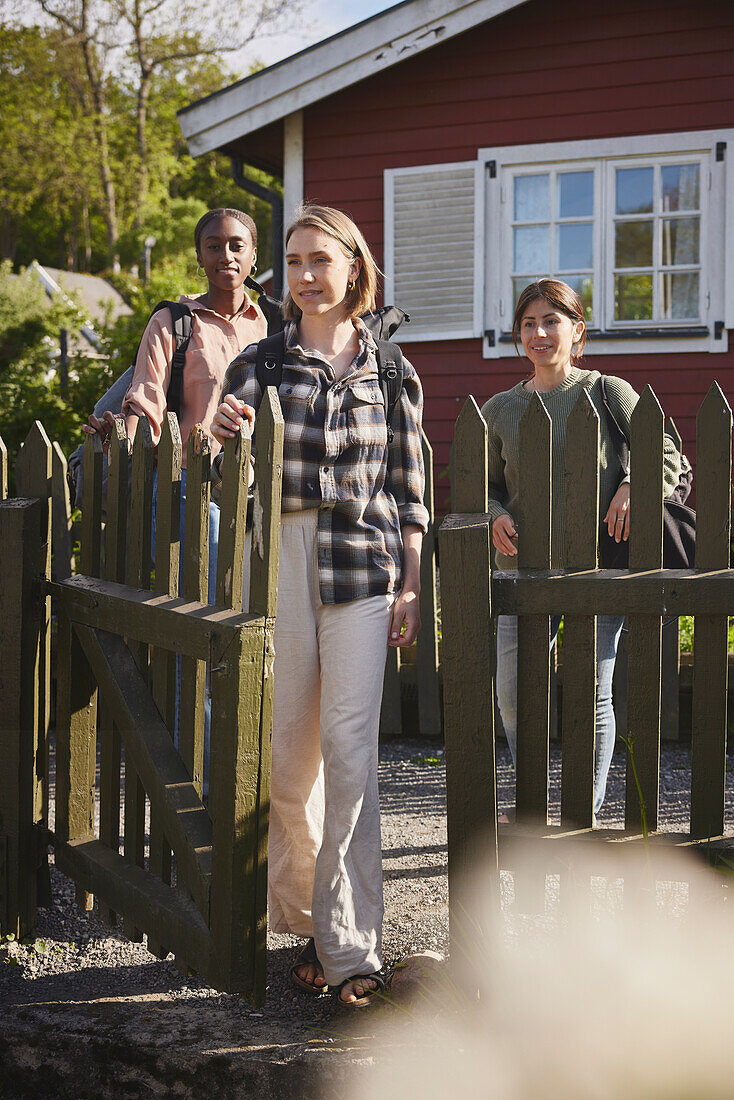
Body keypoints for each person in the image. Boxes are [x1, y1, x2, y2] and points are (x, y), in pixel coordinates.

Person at [211, 204, 428, 1007]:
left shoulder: (393, 371)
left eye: (319, 260)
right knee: (290, 755)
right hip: (282, 559)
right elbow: (217, 484)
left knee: (352, 754)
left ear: (353, 270)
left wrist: (411, 581)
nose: (304, 275)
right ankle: (305, 918)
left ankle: (349, 952)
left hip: (364, 569)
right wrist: (218, 436)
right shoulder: (258, 366)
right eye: (294, 262)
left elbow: (410, 489)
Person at [480, 279, 682, 820]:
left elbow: (665, 450)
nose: (539, 333)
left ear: (577, 331)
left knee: (592, 694)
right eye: (528, 323)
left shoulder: (607, 391)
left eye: (552, 321)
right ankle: (530, 808)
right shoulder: (501, 409)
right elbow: (482, 484)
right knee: (514, 695)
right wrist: (494, 513)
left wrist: (632, 484)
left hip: (598, 570)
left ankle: (581, 812)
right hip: (521, 574)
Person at [83, 208, 267, 790]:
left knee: (256, 639)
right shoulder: (175, 323)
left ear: (254, 255)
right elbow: (143, 399)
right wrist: (120, 440)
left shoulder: (274, 329)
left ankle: (251, 782)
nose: (226, 256)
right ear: (199, 256)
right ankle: (207, 790)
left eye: (237, 245)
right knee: (203, 642)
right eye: (214, 246)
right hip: (193, 497)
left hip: (260, 500)